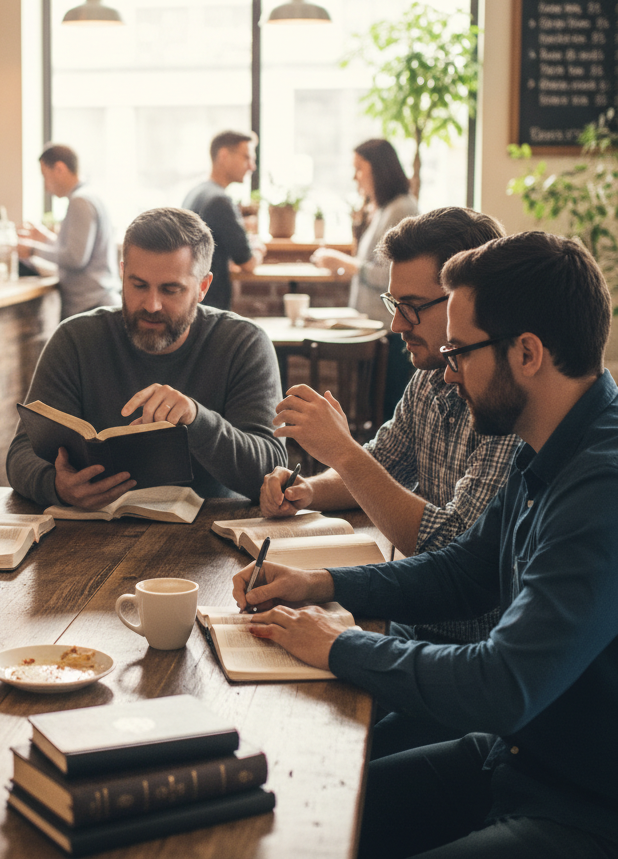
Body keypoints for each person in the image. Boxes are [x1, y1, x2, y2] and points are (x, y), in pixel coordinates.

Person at [234, 231, 618, 859]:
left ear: (527, 353)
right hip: (513, 756)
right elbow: (463, 571)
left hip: (583, 808)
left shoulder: (602, 488)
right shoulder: (546, 443)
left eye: (460, 351)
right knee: (298, 815)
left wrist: (339, 644)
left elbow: (502, 683)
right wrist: (321, 584)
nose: (448, 369)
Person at [264, 207, 521, 758]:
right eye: (393, 304)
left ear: (465, 300)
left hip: (463, 657)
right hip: (418, 626)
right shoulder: (430, 379)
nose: (397, 325)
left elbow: (451, 550)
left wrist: (341, 450)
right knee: (285, 698)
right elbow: (384, 462)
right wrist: (308, 490)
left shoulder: (508, 405)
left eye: (411, 307)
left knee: (322, 746)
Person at [6, 206, 284, 508]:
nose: (152, 305)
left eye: (170, 290)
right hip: (95, 527)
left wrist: (196, 419)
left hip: (211, 527)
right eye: (138, 285)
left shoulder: (243, 344)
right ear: (122, 274)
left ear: (202, 287)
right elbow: (21, 453)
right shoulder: (75, 340)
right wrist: (57, 487)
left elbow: (272, 470)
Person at [311, 138, 418, 321]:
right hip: (371, 320)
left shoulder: (401, 210)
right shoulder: (383, 210)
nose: (354, 178)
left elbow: (392, 276)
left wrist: (347, 264)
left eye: (359, 169)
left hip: (386, 325)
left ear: (378, 170)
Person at [17, 143, 120, 318]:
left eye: (45, 176)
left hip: (90, 306)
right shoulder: (90, 195)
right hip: (97, 300)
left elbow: (75, 258)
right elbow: (79, 249)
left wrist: (33, 250)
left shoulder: (80, 201)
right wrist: (46, 238)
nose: (45, 187)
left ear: (59, 169)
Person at [182, 130, 263, 310]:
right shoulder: (220, 201)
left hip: (193, 302)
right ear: (224, 155)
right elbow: (248, 263)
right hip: (209, 307)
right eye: (246, 158)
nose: (252, 167)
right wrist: (258, 250)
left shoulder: (196, 192)